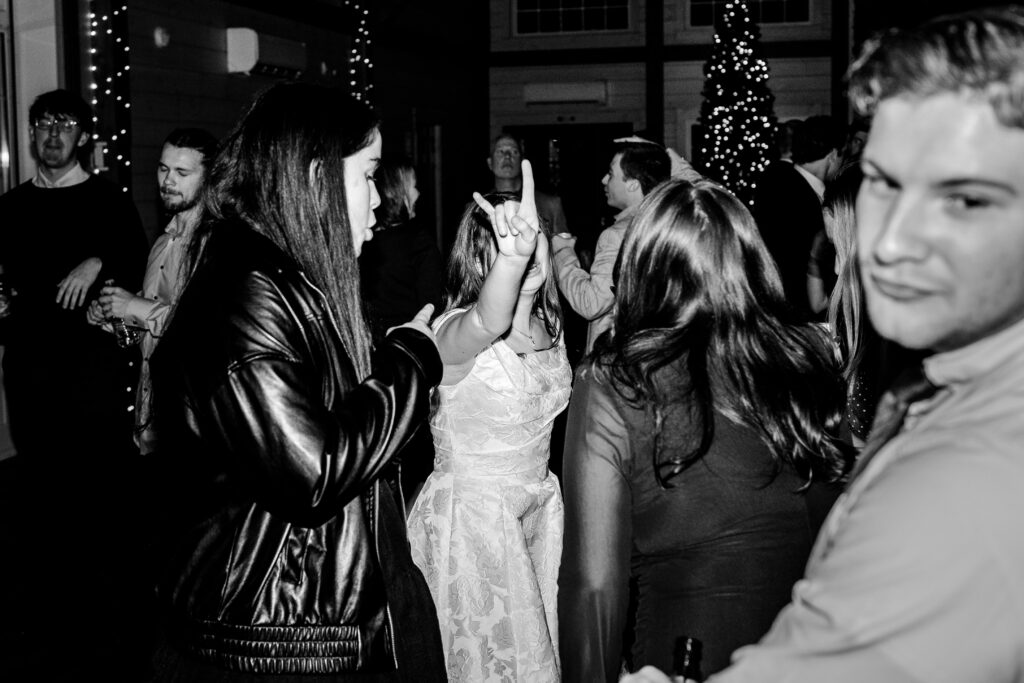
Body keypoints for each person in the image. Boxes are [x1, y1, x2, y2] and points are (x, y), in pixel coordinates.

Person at [623, 6, 1024, 682]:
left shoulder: (966, 477)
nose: (890, 240)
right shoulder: (954, 381)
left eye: (962, 200)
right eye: (884, 184)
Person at [146, 82, 446, 681]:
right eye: (367, 176)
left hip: (304, 625)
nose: (380, 202)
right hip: (268, 640)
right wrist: (411, 359)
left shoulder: (290, 276)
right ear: (316, 178)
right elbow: (313, 467)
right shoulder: (248, 289)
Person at [558, 178, 849, 682]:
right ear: (750, 261)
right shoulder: (811, 358)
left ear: (640, 269)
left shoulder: (617, 382)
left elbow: (594, 586)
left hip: (686, 662)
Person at [0, 88, 148, 677]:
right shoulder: (9, 207)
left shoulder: (108, 202)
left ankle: (102, 628)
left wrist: (97, 262)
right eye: (43, 124)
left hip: (90, 380)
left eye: (64, 123)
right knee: (38, 501)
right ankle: (47, 626)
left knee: (94, 502)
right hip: (30, 375)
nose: (52, 133)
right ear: (32, 134)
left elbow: (134, 271)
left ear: (82, 136)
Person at [406, 160, 571, 682]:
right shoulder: (456, 330)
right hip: (471, 529)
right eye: (514, 240)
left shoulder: (550, 325)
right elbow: (486, 319)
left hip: (536, 515)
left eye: (535, 236)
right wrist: (513, 263)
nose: (532, 247)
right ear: (486, 253)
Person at [88, 127, 218, 455]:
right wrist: (116, 318)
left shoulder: (218, 247)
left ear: (211, 177)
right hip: (151, 417)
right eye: (163, 169)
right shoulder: (161, 243)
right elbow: (151, 331)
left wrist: (134, 306)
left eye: (181, 172)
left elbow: (206, 332)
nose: (167, 181)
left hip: (196, 423)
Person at [359, 157, 444, 505]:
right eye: (414, 185)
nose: (419, 192)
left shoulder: (364, 240)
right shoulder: (417, 239)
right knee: (414, 456)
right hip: (408, 351)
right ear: (399, 192)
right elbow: (431, 302)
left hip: (368, 352)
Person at [552, 141, 670, 353]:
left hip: (616, 362)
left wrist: (562, 253)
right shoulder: (668, 223)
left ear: (633, 184)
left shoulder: (617, 236)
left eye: (611, 173)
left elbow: (591, 303)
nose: (604, 180)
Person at [752, 115, 845, 320]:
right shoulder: (790, 193)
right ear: (832, 154)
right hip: (795, 318)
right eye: (841, 156)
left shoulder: (790, 185)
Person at [488, 132, 568, 234]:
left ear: (522, 161)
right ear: (490, 163)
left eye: (514, 152)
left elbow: (562, 247)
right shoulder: (477, 208)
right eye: (500, 151)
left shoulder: (551, 205)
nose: (507, 156)